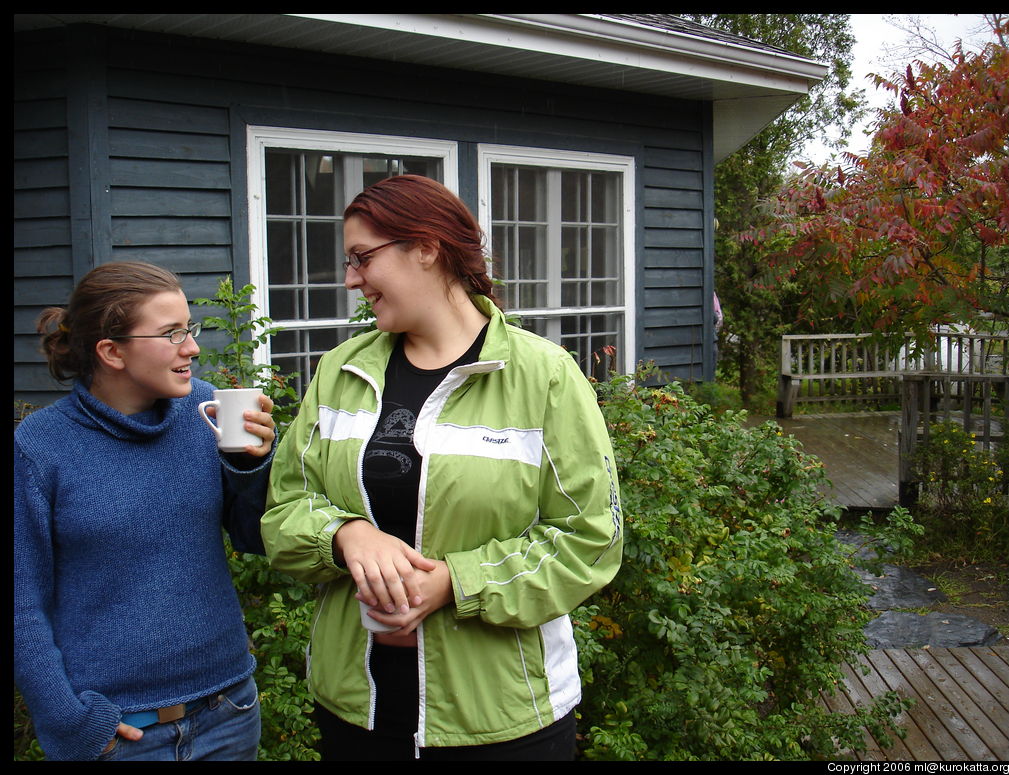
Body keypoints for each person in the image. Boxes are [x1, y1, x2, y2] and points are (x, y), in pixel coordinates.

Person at [262, 174, 623, 761]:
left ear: (426, 248)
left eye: (362, 258)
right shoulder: (339, 372)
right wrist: (345, 535)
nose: (351, 278)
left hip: (502, 717)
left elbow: (591, 540)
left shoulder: (544, 376)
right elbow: (283, 512)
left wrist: (455, 582)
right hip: (357, 708)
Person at [14, 261, 277, 761]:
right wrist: (70, 724)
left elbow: (255, 538)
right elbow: (20, 603)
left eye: (190, 328)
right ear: (111, 351)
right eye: (171, 333)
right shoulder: (39, 448)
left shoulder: (207, 413)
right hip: (123, 736)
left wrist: (250, 467)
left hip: (229, 712)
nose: (193, 347)